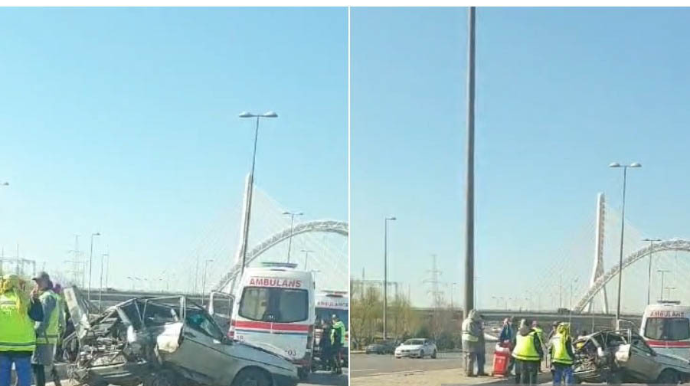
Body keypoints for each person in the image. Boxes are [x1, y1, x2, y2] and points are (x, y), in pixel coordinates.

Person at [0, 274, 44, 386]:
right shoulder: (26, 300)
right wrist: (36, 299)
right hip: (24, 346)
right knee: (24, 379)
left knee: (2, 378)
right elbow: (39, 316)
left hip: (2, 347)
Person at [31, 272, 63, 386]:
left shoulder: (47, 298)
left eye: (39, 281)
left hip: (42, 337)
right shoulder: (52, 296)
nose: (37, 284)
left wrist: (34, 333)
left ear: (46, 282)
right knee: (41, 366)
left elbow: (43, 320)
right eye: (35, 282)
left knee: (37, 366)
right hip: (47, 337)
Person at [512, 319, 543, 385]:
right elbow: (537, 345)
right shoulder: (533, 334)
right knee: (532, 375)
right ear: (529, 325)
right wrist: (541, 355)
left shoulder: (518, 332)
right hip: (532, 357)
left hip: (520, 357)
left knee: (524, 375)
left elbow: (514, 343)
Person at [461, 309, 482, 377]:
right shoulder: (471, 322)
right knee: (471, 357)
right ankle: (470, 372)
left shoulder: (465, 321)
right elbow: (475, 332)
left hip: (464, 339)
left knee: (465, 356)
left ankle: (465, 370)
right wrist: (479, 330)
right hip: (471, 340)